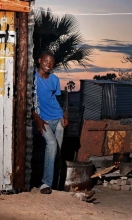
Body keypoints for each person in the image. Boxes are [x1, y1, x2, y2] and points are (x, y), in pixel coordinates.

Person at [32, 51, 68, 194]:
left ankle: (57, 185)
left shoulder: (54, 79)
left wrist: (64, 115)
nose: (49, 64)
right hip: (44, 119)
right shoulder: (32, 78)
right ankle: (45, 183)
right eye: (46, 61)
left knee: (57, 153)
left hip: (57, 118)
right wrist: (38, 119)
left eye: (52, 62)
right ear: (39, 60)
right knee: (51, 144)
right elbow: (28, 103)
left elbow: (57, 100)